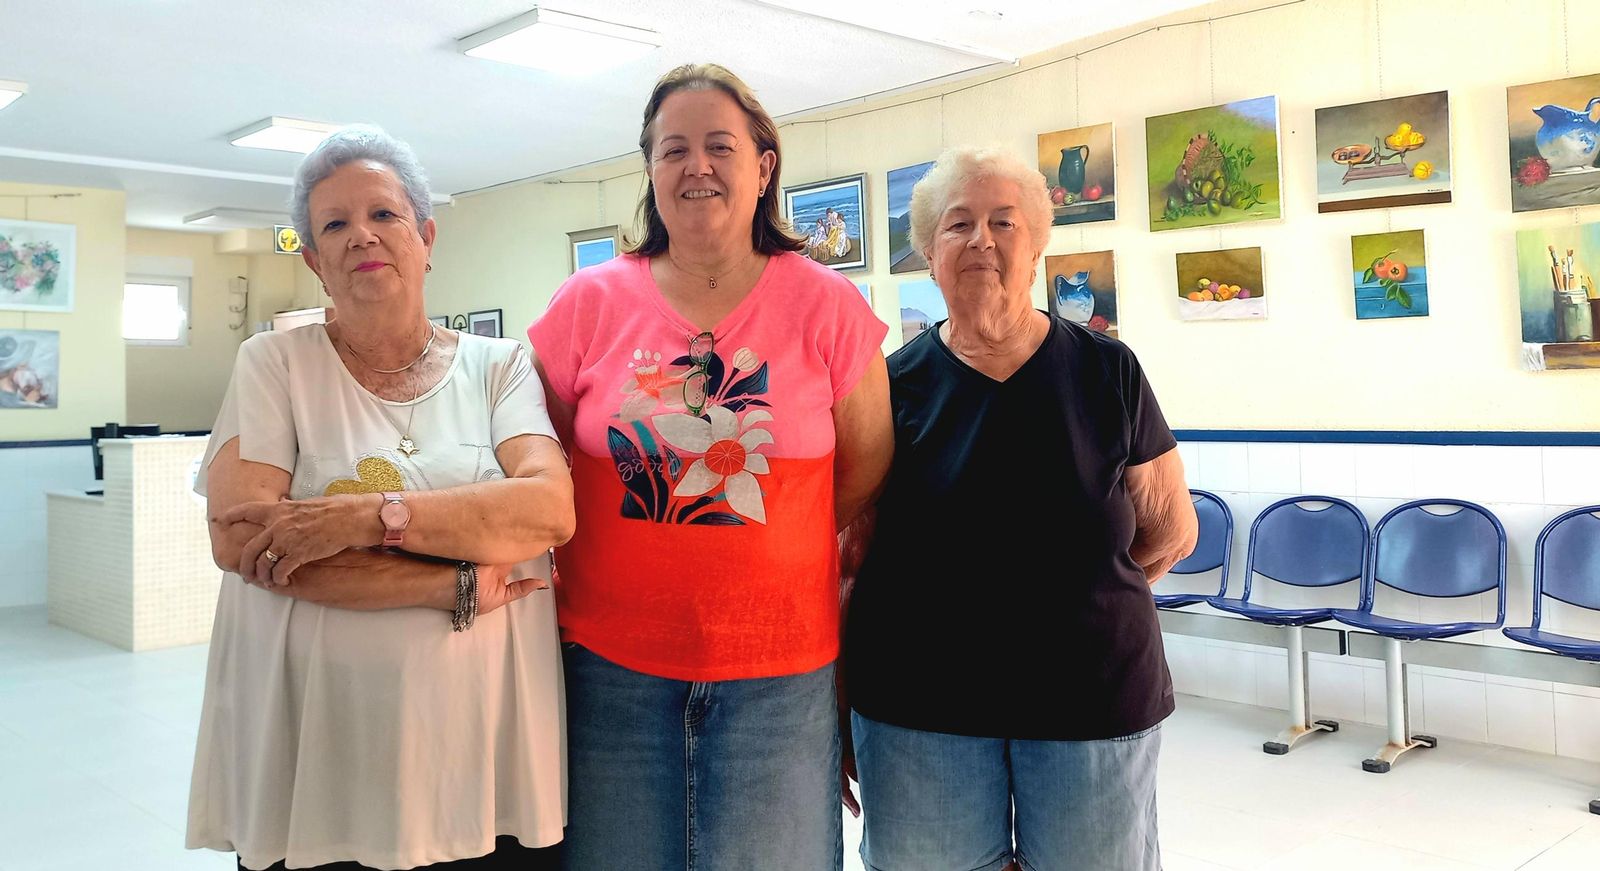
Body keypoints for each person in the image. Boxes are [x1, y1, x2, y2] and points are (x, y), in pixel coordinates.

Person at [527, 63, 892, 871]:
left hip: (781, 676)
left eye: (719, 145)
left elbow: (865, 467)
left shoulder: (827, 306)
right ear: (650, 172)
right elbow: (538, 469)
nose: (696, 166)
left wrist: (774, 544)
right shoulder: (585, 305)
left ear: (763, 167)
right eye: (673, 149)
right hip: (609, 673)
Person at [190, 126, 574, 871]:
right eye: (334, 224)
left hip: (478, 758)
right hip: (317, 757)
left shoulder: (501, 368)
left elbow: (548, 511)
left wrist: (364, 518)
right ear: (312, 261)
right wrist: (453, 581)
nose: (361, 234)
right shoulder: (275, 364)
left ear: (426, 237)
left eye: (384, 215)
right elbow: (243, 544)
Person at [842, 145, 1198, 871]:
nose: (981, 239)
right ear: (928, 255)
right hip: (919, 716)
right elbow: (853, 558)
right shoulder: (888, 387)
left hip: (1091, 706)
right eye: (957, 224)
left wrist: (1080, 598)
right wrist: (839, 702)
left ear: (1036, 246)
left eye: (1004, 222)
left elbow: (1169, 530)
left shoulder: (1108, 371)